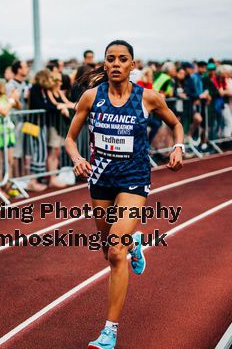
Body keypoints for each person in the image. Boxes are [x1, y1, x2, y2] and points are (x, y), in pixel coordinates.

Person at [65, 40, 183, 349]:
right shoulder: (91, 97)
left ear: (132, 65)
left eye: (122, 59)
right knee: (108, 251)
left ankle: (110, 330)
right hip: (101, 179)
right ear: (104, 64)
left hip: (134, 178)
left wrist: (178, 147)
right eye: (110, 59)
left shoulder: (149, 98)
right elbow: (69, 139)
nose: (116, 64)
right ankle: (134, 240)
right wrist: (77, 158)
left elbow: (176, 124)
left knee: (116, 254)